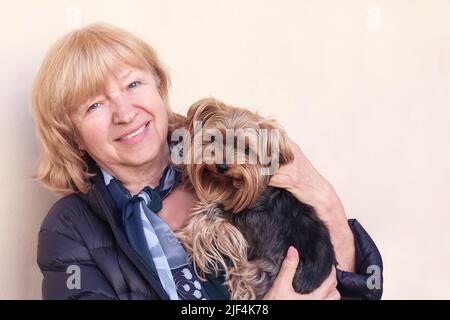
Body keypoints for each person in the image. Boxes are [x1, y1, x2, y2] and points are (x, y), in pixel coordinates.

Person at [32, 23, 383, 300]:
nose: (124, 113)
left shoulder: (232, 156)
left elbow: (355, 288)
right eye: (94, 105)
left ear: (160, 85)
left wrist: (324, 197)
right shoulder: (70, 229)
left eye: (133, 84)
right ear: (72, 135)